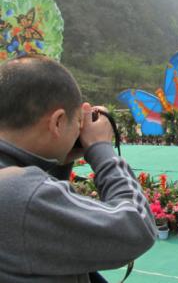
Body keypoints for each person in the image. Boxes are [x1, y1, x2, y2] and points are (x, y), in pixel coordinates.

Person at [0, 55, 156, 283]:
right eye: (77, 122)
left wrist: (59, 161)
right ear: (58, 122)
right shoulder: (21, 194)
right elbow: (137, 226)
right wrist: (101, 148)